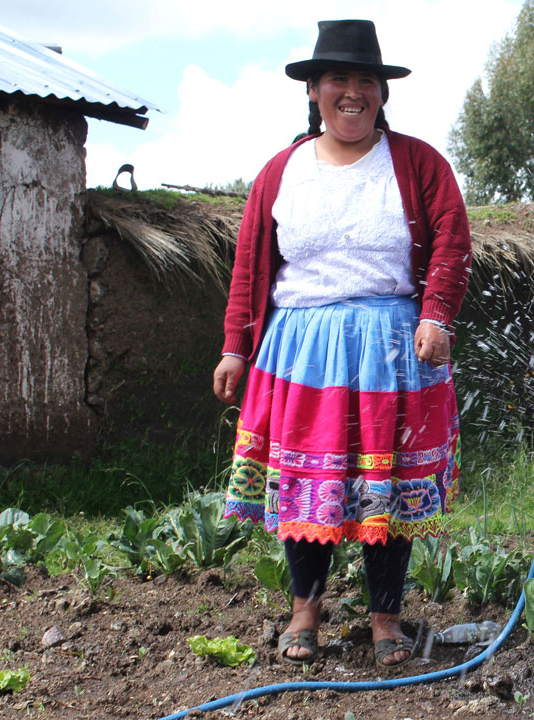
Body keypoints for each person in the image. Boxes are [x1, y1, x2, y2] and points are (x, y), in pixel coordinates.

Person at [211, 19, 471, 669]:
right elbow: (250, 266)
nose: (350, 93)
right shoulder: (281, 172)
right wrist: (235, 347)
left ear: (382, 93)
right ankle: (305, 613)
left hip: (392, 350)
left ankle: (387, 621)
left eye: (365, 81)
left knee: (383, 489)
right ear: (313, 91)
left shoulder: (417, 164)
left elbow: (451, 241)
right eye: (337, 80)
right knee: (310, 488)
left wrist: (436, 314)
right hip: (303, 353)